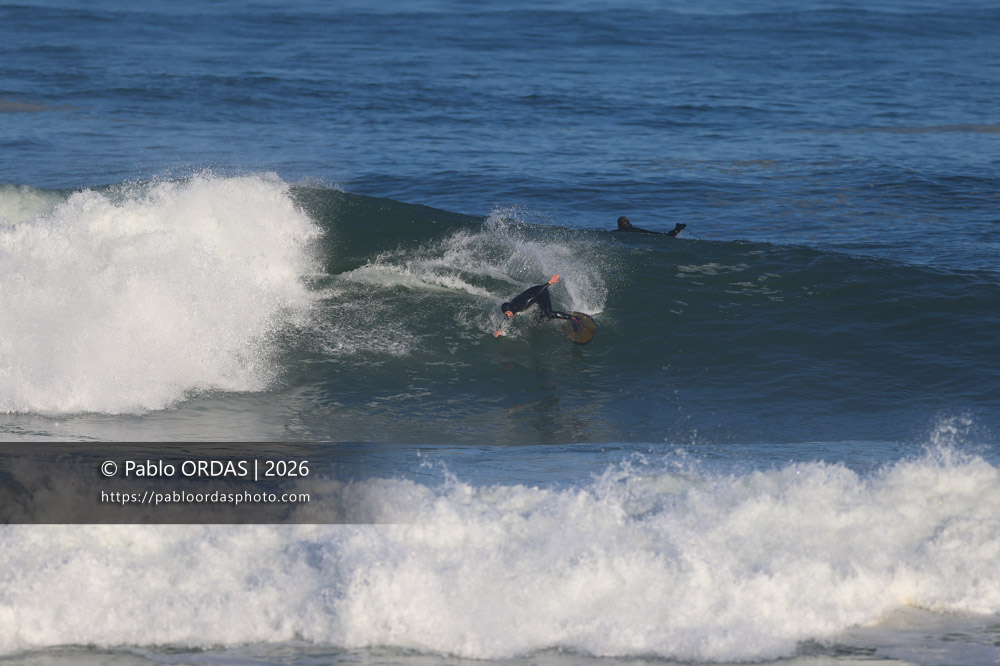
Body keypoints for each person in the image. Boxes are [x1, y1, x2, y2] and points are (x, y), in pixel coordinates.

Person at [493, 274, 578, 337]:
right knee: (538, 321)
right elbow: (506, 318)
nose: (508, 314)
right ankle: (559, 317)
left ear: (510, 309)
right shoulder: (512, 308)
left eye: (508, 312)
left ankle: (574, 318)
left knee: (549, 313)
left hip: (541, 293)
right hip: (535, 299)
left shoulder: (522, 305)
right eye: (506, 313)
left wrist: (549, 283)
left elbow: (535, 294)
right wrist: (500, 329)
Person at [617, 216, 686, 237]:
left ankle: (677, 230)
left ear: (618, 224)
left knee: (665, 236)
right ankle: (677, 230)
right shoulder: (632, 227)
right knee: (663, 235)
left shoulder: (620, 230)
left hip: (638, 234)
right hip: (641, 232)